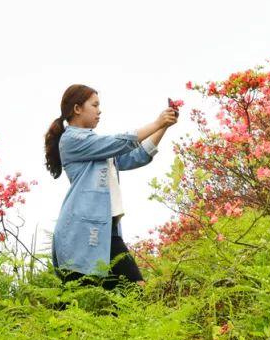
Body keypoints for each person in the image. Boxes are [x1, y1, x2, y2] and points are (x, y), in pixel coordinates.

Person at [43, 84, 178, 290]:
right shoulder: (72, 140)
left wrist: (163, 126)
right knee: (79, 302)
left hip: (108, 230)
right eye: (95, 105)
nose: (99, 110)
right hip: (82, 232)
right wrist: (156, 122)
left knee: (132, 290)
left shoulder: (98, 147)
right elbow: (119, 142)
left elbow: (135, 156)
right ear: (77, 109)